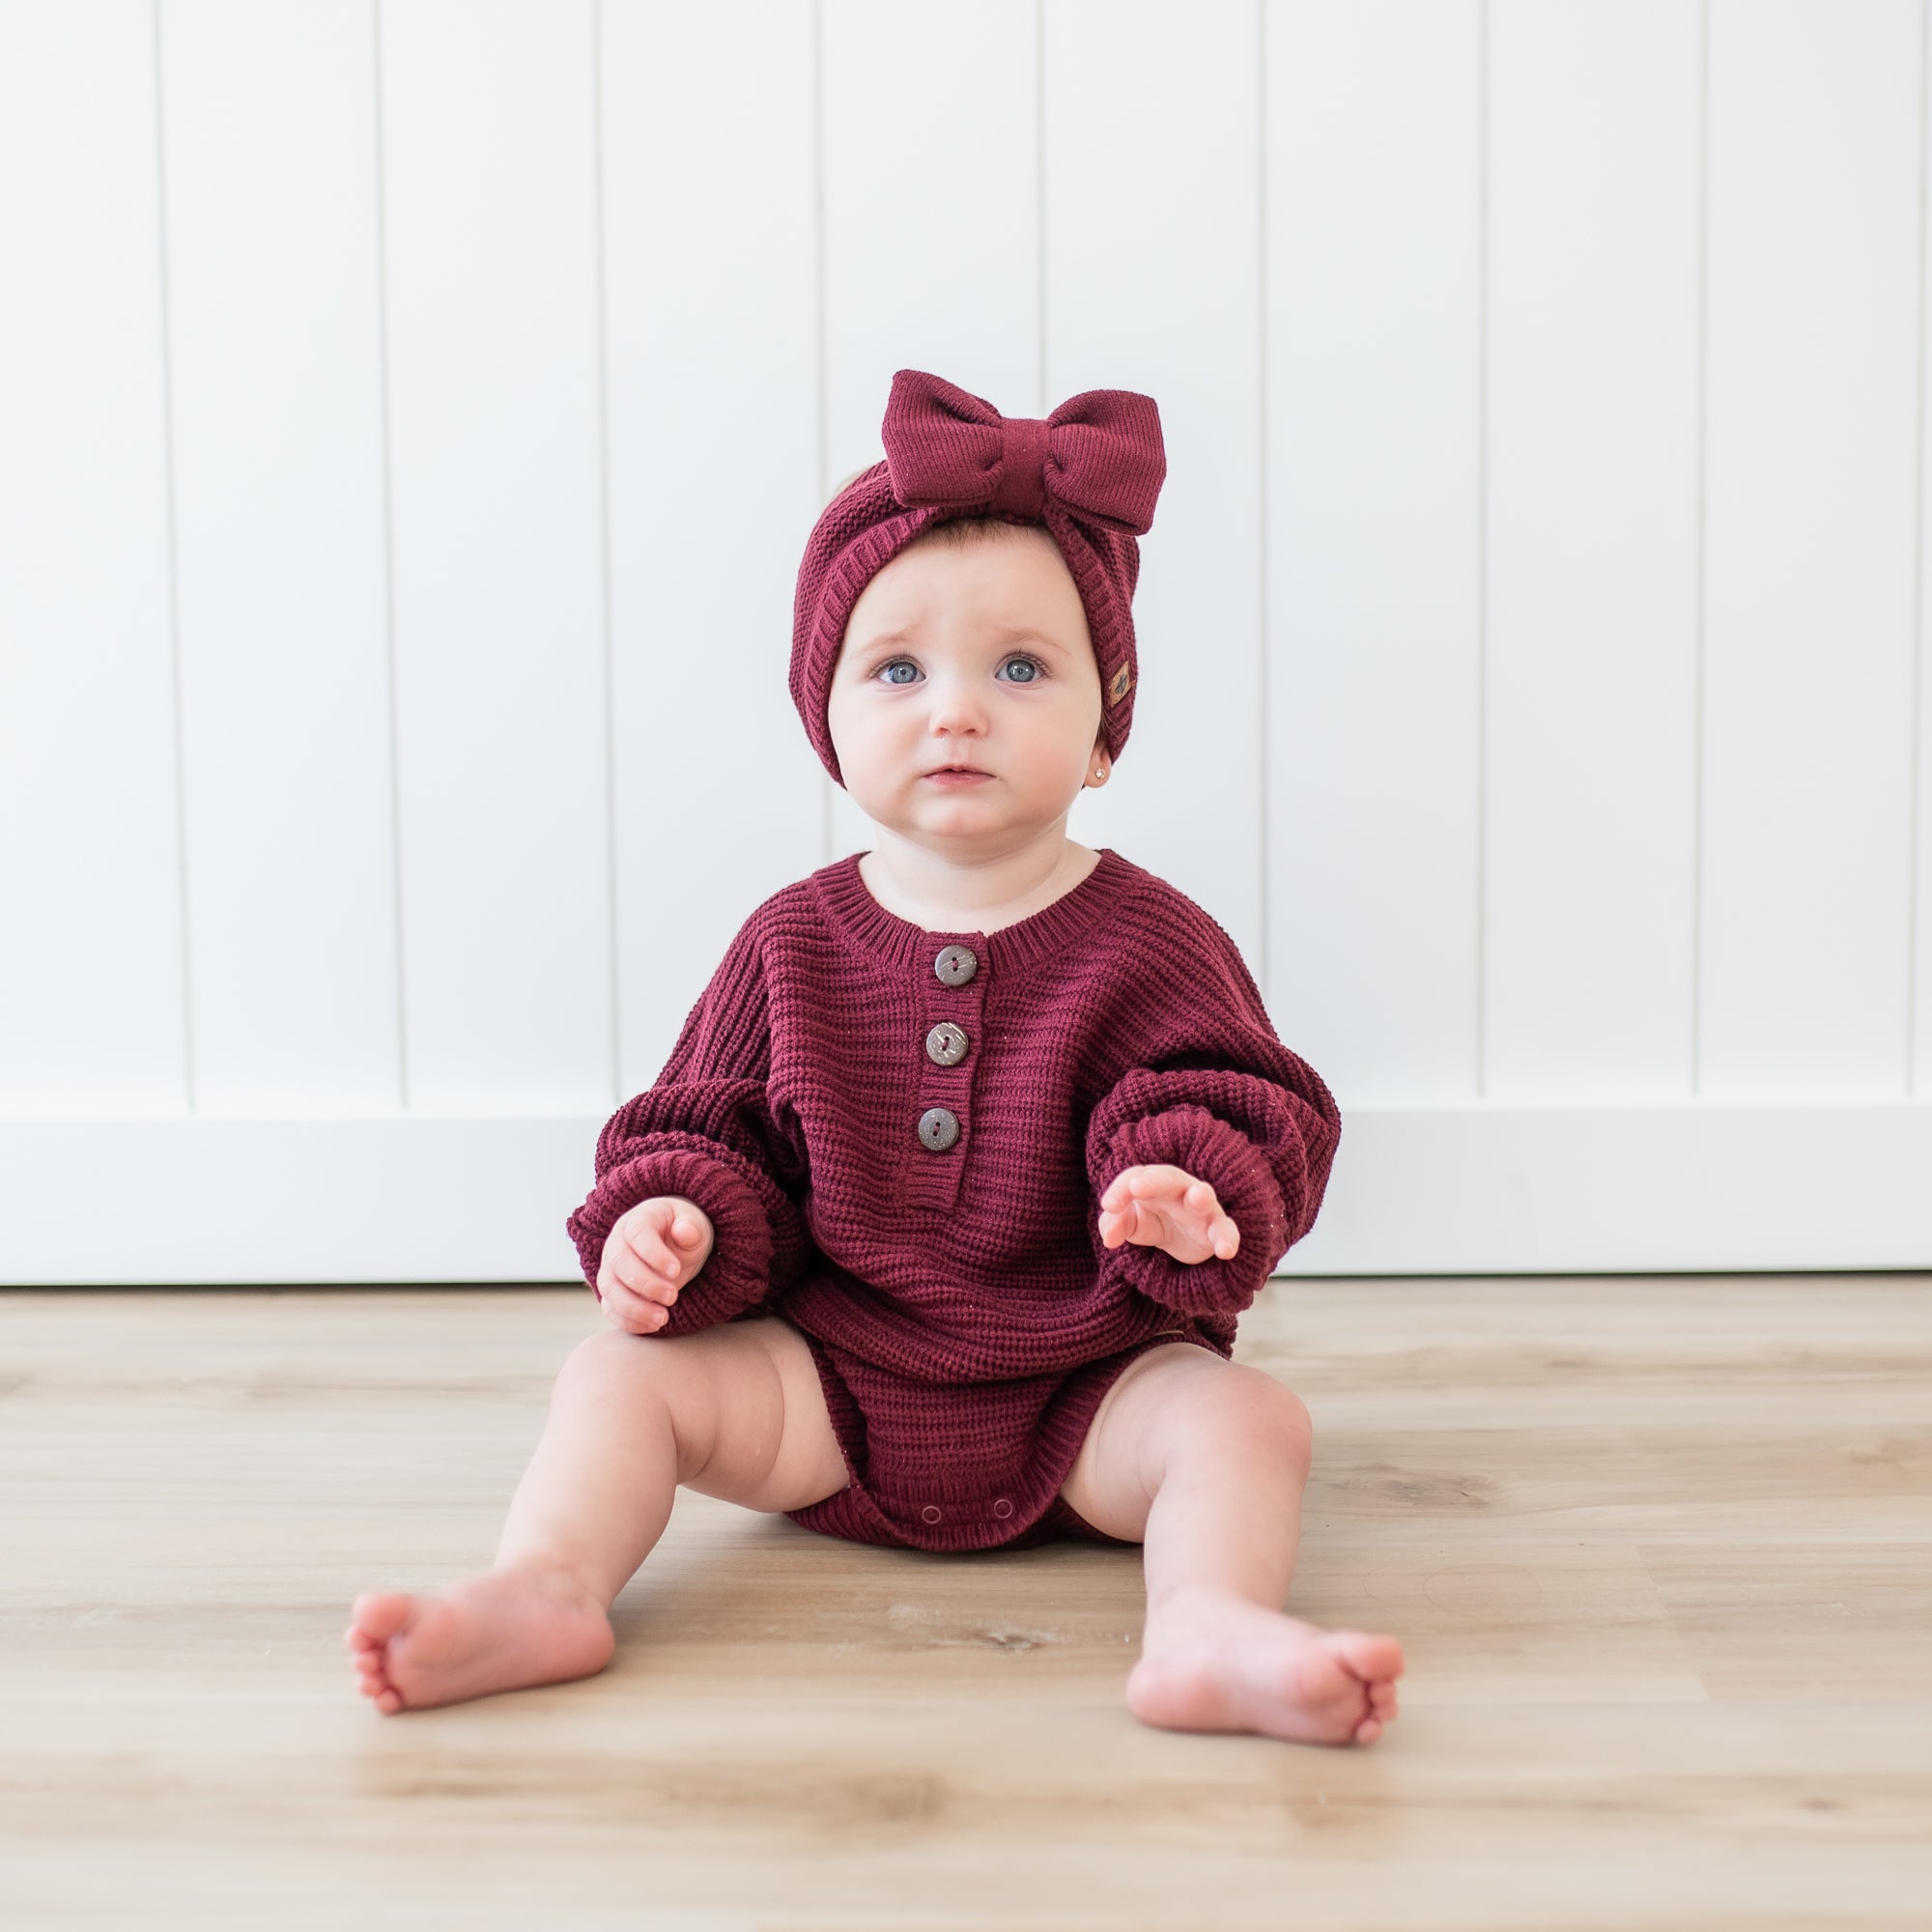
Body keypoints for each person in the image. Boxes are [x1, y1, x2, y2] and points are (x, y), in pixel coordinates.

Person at [345, 369, 1405, 1746]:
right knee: (618, 1376)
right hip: (826, 1397)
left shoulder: (1150, 937)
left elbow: (1245, 1102)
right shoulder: (790, 942)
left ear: (1102, 727)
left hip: (1085, 1398)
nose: (954, 710)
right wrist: (677, 1219)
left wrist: (1189, 1189)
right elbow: (706, 1125)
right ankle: (544, 1585)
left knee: (1247, 1421)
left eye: (1019, 667)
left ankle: (1206, 1625)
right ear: (826, 717)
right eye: (898, 668)